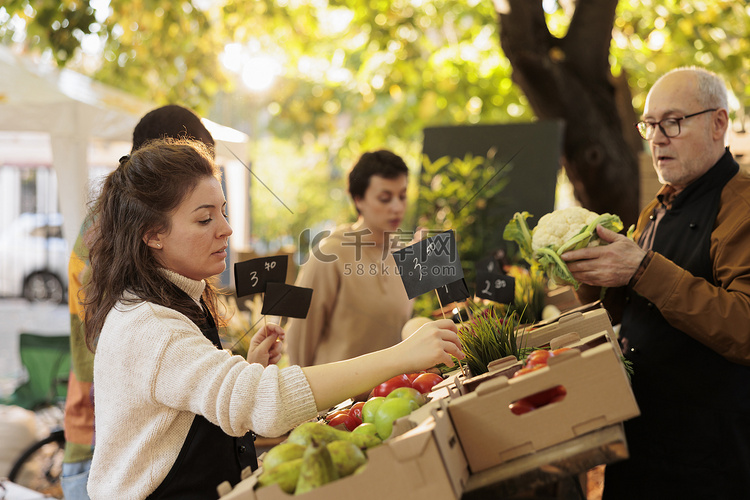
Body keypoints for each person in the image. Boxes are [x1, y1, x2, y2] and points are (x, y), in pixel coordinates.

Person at [82, 138, 463, 500]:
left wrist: (249, 372)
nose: (226, 229)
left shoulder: (175, 301)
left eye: (224, 212)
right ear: (152, 235)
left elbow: (183, 407)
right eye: (204, 220)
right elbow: (272, 396)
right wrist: (403, 355)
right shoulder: (152, 326)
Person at [561, 67, 750, 498]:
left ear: (718, 123)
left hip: (711, 457)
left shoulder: (743, 206)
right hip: (643, 441)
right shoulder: (655, 208)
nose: (657, 138)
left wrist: (642, 269)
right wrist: (590, 278)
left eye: (673, 122)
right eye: (649, 125)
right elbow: (625, 314)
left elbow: (745, 327)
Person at [61, 105, 217, 500]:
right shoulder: (107, 244)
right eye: (202, 216)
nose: (222, 228)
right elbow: (107, 358)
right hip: (103, 441)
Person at [285, 150, 416, 367]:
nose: (397, 207)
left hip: (395, 392)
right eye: (385, 198)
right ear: (358, 199)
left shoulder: (406, 254)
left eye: (402, 196)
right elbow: (299, 341)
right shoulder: (328, 255)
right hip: (339, 398)